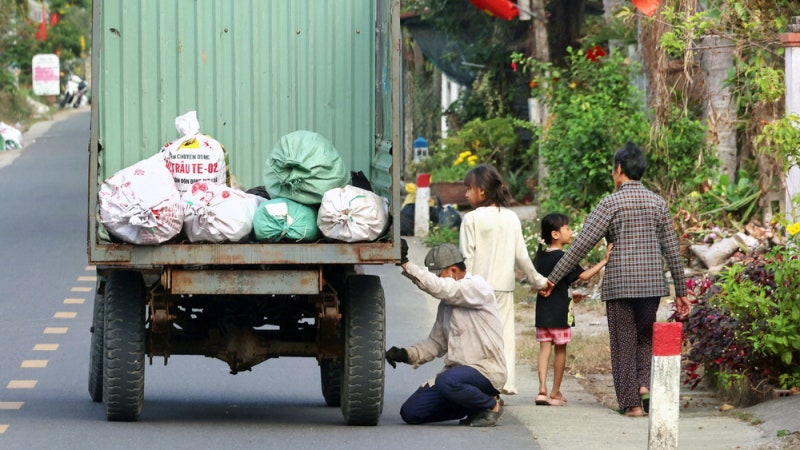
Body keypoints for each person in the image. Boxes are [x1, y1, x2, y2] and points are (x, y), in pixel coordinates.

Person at [541, 142, 690, 417]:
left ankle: (632, 404)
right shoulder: (658, 203)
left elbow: (580, 245)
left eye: (613, 170)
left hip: (620, 285)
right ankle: (644, 387)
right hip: (651, 285)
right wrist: (681, 291)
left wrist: (553, 278)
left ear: (619, 169)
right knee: (644, 338)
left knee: (623, 342)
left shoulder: (610, 203)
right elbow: (672, 247)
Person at [386, 240, 506, 427]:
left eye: (438, 276)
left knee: (446, 381)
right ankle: (474, 405)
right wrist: (405, 354)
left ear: (452, 271)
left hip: (485, 371)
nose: (437, 281)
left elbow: (443, 288)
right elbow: (435, 344)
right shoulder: (447, 305)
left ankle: (491, 404)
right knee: (411, 412)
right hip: (455, 377)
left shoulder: (477, 287)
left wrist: (406, 263)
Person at [459, 164, 549, 396]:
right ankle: (506, 382)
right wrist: (539, 281)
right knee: (504, 337)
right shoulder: (511, 218)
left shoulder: (471, 219)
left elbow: (466, 258)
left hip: (477, 288)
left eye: (469, 189)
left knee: (477, 338)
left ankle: (479, 382)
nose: (466, 194)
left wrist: (461, 289)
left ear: (482, 191)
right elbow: (522, 257)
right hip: (503, 288)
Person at [532, 213, 612, 407]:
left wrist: (571, 293)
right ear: (555, 234)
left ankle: (541, 390)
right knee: (560, 350)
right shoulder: (565, 258)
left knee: (544, 349)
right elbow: (583, 276)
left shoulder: (540, 256)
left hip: (542, 311)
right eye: (566, 228)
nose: (570, 231)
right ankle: (555, 391)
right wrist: (604, 261)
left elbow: (550, 282)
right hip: (560, 312)